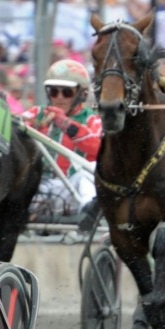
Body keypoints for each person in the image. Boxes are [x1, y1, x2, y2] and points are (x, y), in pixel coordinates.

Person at [22, 59, 101, 220]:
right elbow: (15, 126)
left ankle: (89, 215)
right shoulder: (37, 113)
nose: (59, 98)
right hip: (37, 188)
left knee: (88, 172)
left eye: (66, 92)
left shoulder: (93, 120)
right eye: (53, 92)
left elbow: (97, 149)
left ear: (82, 94)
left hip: (72, 191)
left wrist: (66, 124)